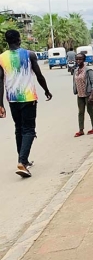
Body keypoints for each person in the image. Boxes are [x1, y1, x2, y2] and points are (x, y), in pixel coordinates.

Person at [0, 30, 53, 178]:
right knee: (29, 130)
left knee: (19, 128)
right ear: (18, 39)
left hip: (12, 99)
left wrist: (0, 104)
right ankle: (22, 162)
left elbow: (0, 81)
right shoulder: (29, 54)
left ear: (7, 41)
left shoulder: (1, 58)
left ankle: (23, 160)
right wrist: (47, 90)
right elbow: (39, 75)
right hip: (28, 98)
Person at [72, 52, 93, 137]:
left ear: (84, 60)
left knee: (90, 110)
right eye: (77, 59)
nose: (78, 61)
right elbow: (75, 82)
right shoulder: (76, 71)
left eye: (80, 59)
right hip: (80, 95)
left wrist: (92, 95)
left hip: (88, 94)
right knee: (80, 112)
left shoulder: (88, 70)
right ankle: (81, 130)